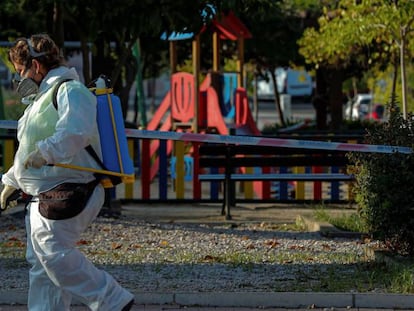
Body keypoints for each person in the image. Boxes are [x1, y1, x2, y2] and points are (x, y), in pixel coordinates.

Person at [0, 34, 134, 311]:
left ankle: (112, 300)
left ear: (37, 66)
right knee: (42, 266)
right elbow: (27, 152)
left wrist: (46, 151)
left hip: (71, 188)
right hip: (47, 193)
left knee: (53, 254)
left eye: (21, 71)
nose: (19, 79)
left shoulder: (70, 90)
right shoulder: (41, 99)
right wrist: (10, 181)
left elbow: (76, 131)